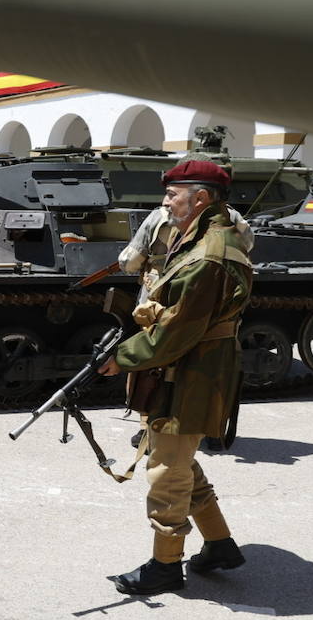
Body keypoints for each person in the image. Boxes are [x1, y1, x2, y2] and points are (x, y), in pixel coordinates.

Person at [100, 159, 252, 595]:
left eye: (173, 195)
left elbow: (178, 330)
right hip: (188, 361)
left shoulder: (208, 252)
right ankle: (220, 545)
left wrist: (122, 358)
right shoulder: (199, 235)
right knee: (179, 456)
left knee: (167, 468)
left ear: (201, 199)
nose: (165, 202)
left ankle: (166, 567)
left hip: (193, 365)